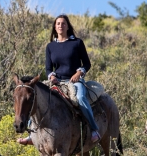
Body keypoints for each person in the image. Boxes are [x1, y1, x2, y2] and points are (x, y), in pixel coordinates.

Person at [17, 14, 100, 145]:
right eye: (58, 24)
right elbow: (48, 68)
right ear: (55, 27)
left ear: (68, 26)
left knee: (80, 98)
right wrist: (52, 76)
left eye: (63, 23)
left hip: (74, 81)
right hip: (57, 82)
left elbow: (87, 64)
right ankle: (31, 134)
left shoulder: (77, 43)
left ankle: (94, 129)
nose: (60, 25)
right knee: (36, 97)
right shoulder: (50, 46)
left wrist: (79, 72)